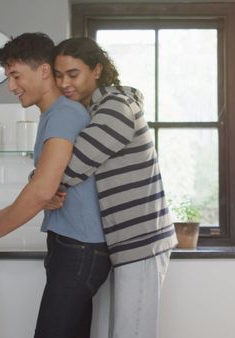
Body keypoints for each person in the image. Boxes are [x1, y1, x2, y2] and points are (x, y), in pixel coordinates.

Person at [0, 32, 111, 338]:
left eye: (15, 75)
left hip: (80, 249)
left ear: (43, 71)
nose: (11, 86)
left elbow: (42, 188)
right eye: (8, 77)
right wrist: (1, 214)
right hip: (76, 247)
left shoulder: (64, 114)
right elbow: (48, 187)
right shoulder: (54, 114)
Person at [49, 37, 177, 338]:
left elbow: (72, 165)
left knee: (131, 333)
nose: (64, 83)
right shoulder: (95, 110)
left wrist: (39, 180)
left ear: (97, 70)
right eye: (58, 74)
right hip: (124, 243)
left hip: (140, 241)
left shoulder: (116, 107)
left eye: (73, 74)